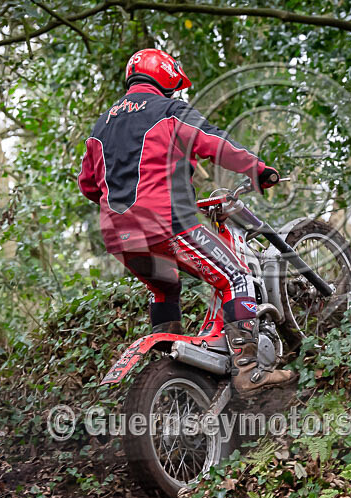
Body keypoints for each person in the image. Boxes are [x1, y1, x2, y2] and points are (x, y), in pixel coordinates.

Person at [77, 49, 295, 396]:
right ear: (165, 77)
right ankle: (249, 371)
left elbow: (89, 185)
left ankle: (170, 373)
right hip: (167, 225)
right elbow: (215, 143)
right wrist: (257, 168)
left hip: (119, 238)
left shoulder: (101, 125)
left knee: (165, 288)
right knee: (237, 277)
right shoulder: (169, 111)